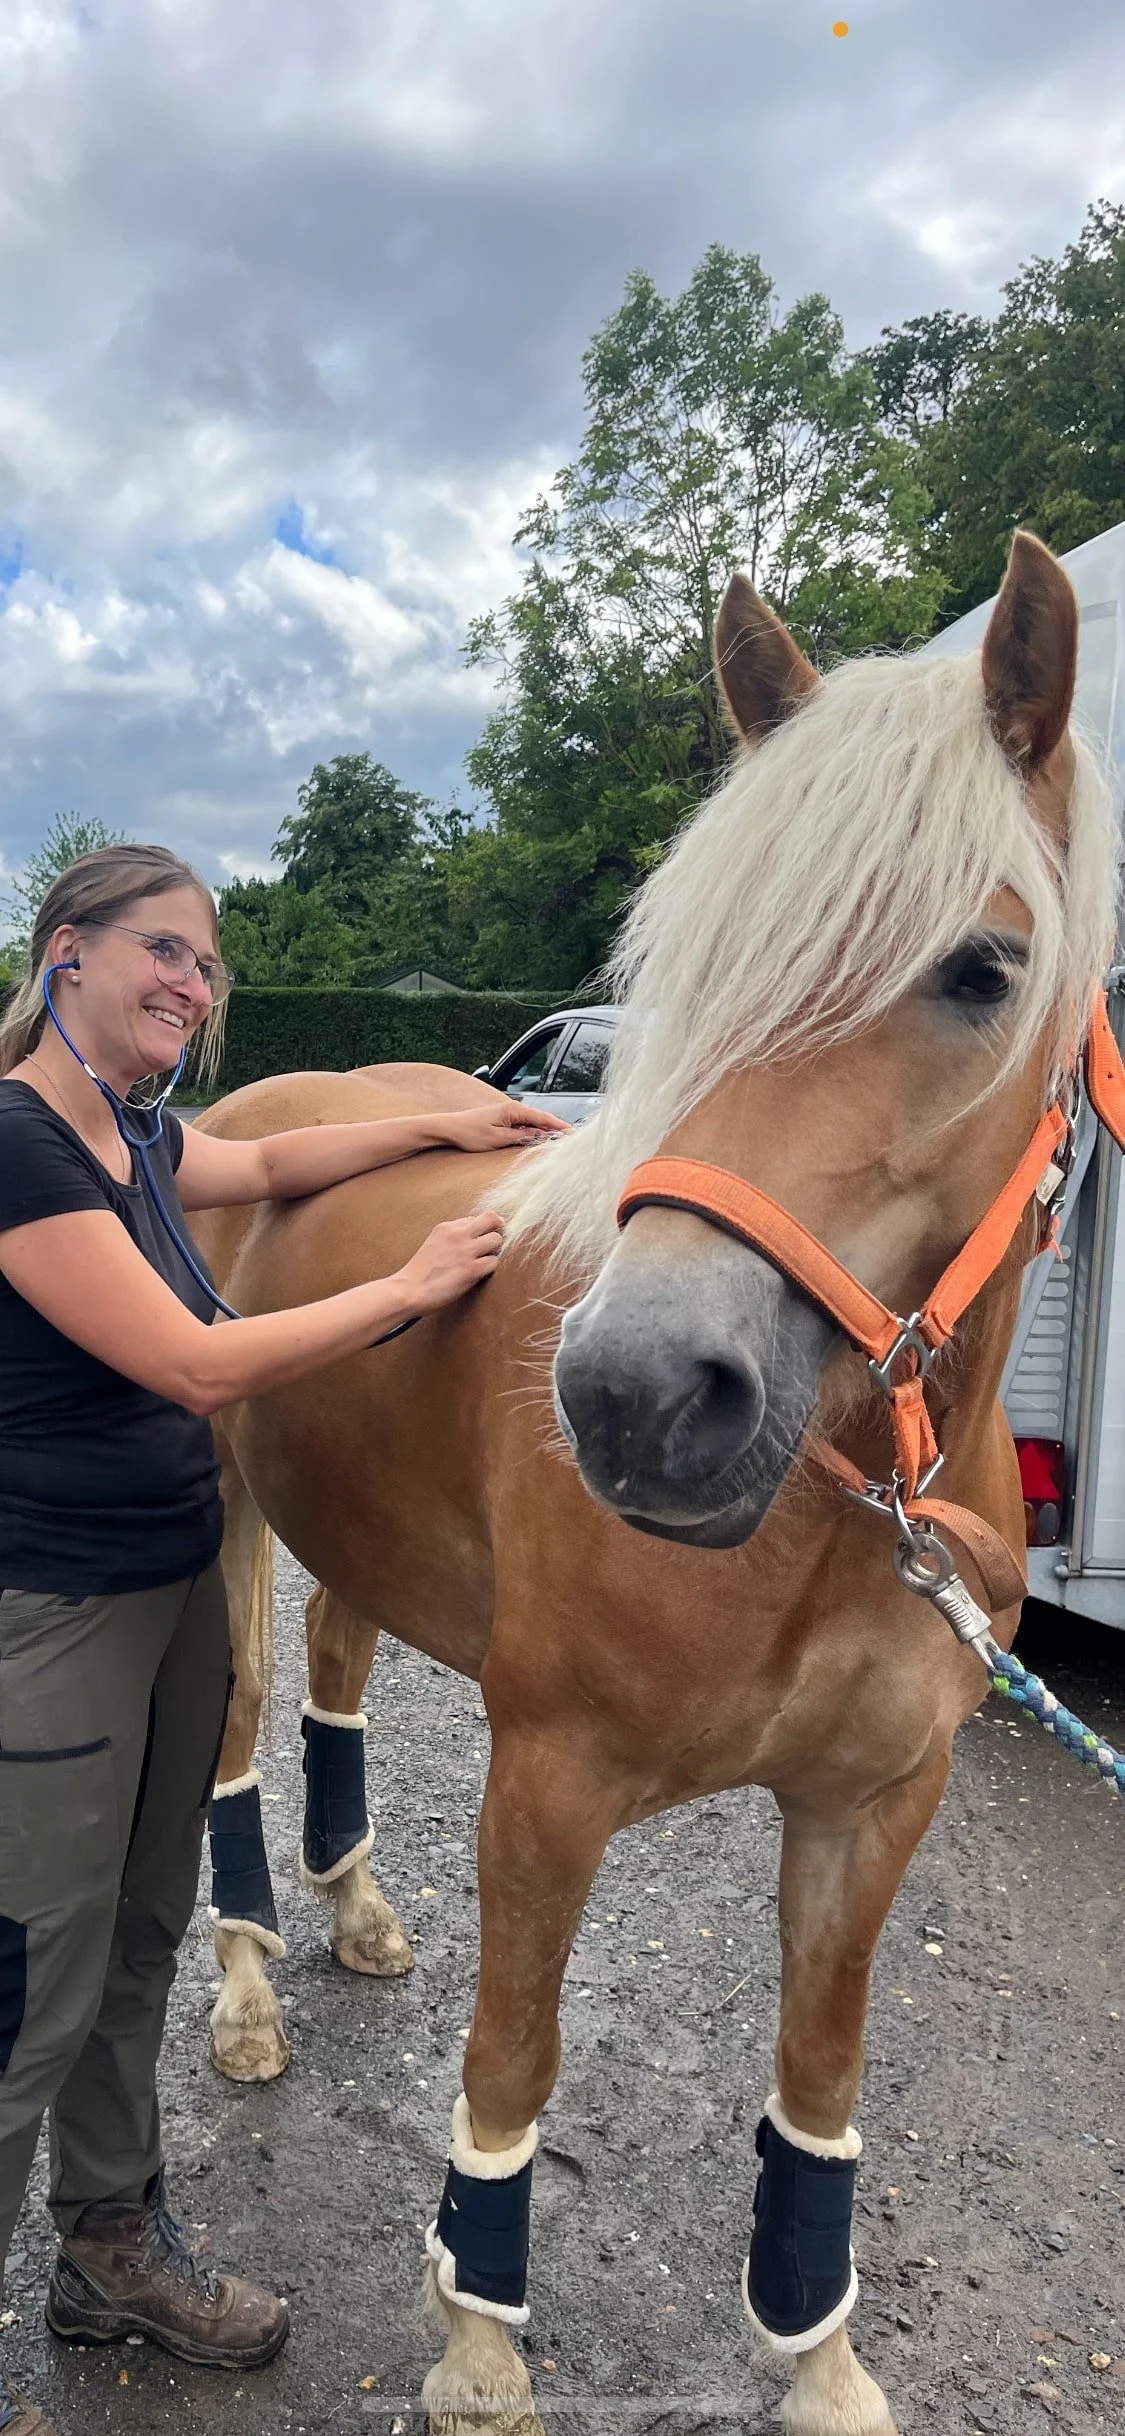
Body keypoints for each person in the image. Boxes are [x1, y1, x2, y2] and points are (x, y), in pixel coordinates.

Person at [0, 843, 565, 2436]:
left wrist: (456, 1121)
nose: (191, 982)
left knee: (142, 1935)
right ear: (65, 957)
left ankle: (109, 2241)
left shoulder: (140, 1136)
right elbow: (192, 1362)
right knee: (29, 1965)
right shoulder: (21, 1147)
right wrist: (413, 1282)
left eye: (207, 963)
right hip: (50, 1610)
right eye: (159, 951)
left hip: (175, 1602)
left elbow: (276, 1164)